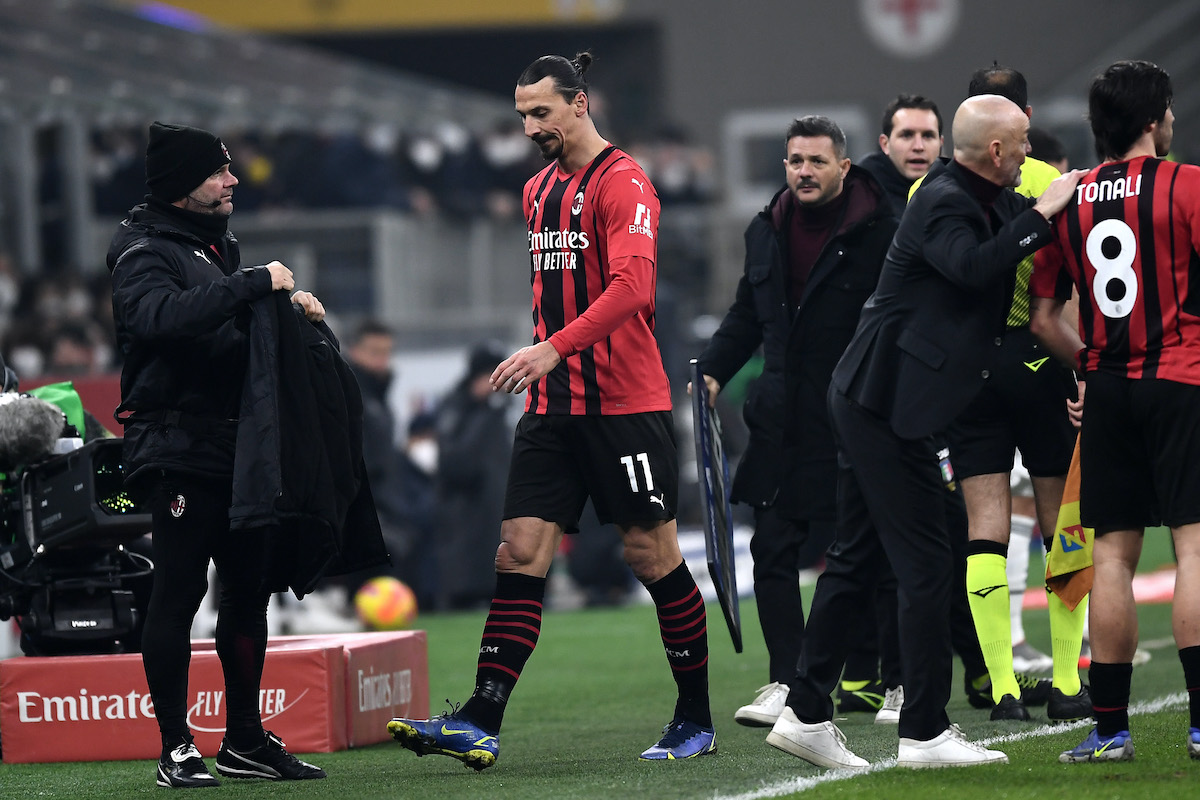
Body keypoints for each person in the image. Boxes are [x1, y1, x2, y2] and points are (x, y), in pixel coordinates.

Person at [387, 51, 714, 769]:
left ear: (579, 103)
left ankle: (695, 716)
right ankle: (480, 719)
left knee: (650, 554)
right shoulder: (537, 190)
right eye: (522, 116)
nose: (530, 127)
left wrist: (552, 348)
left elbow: (633, 289)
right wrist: (550, 358)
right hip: (552, 405)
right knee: (518, 551)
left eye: (541, 112)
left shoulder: (625, 181)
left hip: (624, 404)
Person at [764, 95, 1084, 769]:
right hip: (882, 402)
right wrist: (1044, 214)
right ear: (996, 150)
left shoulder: (984, 197)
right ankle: (924, 731)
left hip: (883, 398)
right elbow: (973, 266)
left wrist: (1068, 204)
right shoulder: (941, 199)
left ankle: (806, 711)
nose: (1029, 153)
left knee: (856, 557)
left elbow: (1014, 235)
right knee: (929, 562)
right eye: (1022, 142)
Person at [108, 122, 330, 788]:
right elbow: (158, 319)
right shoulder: (142, 249)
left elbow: (230, 331)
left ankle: (244, 742)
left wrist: (286, 312)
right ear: (182, 184)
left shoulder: (215, 245)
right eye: (218, 171)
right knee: (179, 590)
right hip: (178, 445)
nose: (233, 180)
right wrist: (254, 283)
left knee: (247, 593)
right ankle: (175, 747)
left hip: (238, 447)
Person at [694, 115, 897, 726]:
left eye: (816, 161)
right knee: (772, 549)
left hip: (857, 413)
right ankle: (787, 680)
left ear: (844, 166)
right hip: (781, 420)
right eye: (795, 161)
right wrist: (712, 371)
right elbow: (745, 314)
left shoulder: (881, 230)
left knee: (877, 552)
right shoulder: (766, 230)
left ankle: (898, 682)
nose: (804, 172)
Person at [1029, 59, 1200, 763]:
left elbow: (1044, 318)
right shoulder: (1187, 185)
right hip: (1182, 380)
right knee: (1194, 547)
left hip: (1106, 390)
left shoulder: (1070, 198)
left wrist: (1089, 370)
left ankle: (1109, 730)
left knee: (1112, 557)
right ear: (1155, 119)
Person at [944, 64, 1090, 723]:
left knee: (986, 528)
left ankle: (1003, 690)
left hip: (970, 370)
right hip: (1038, 359)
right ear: (1022, 120)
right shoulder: (1047, 182)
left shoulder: (934, 187)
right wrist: (1083, 369)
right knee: (1063, 522)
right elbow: (1067, 292)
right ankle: (1065, 681)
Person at [434, 344, 515, 610]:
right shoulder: (457, 409)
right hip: (465, 513)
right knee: (467, 587)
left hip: (495, 509)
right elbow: (455, 463)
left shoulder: (497, 410)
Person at [860, 94, 944, 217]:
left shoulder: (959, 192)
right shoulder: (860, 196)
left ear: (940, 144)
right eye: (907, 135)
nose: (918, 146)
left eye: (928, 136)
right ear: (885, 144)